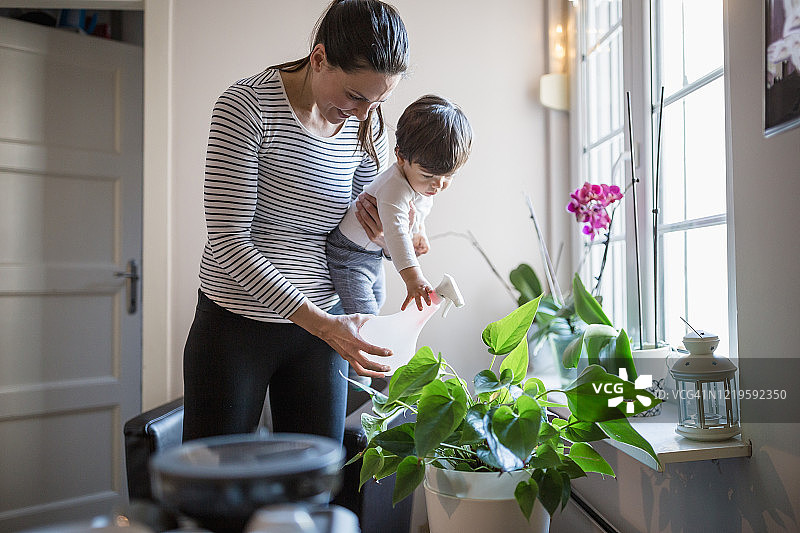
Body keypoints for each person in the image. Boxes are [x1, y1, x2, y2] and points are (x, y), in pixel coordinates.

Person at [182, 0, 409, 445]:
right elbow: (229, 243)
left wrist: (389, 238)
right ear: (320, 58)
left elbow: (356, 229)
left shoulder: (366, 123)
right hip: (235, 326)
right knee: (217, 494)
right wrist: (324, 324)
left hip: (323, 332)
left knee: (313, 491)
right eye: (356, 96)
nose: (364, 113)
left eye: (379, 100)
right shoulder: (246, 107)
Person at [326, 95, 473, 318]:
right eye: (429, 175)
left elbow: (418, 213)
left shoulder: (422, 184)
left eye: (449, 176)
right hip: (348, 257)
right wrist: (413, 278)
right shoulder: (395, 188)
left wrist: (419, 232)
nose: (439, 184)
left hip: (371, 254)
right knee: (366, 318)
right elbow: (394, 233)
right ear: (401, 157)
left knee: (379, 299)